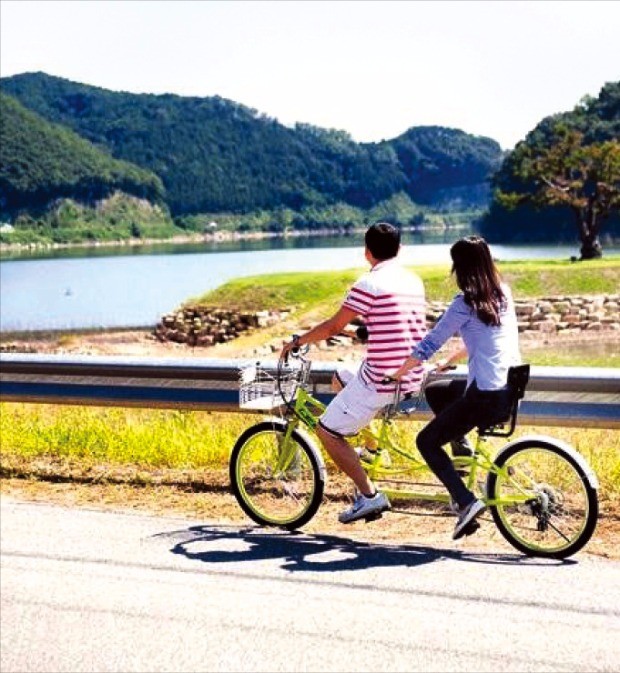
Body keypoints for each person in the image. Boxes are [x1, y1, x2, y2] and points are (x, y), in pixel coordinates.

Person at [281, 222, 427, 524]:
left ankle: (369, 497)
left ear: (366, 252)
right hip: (412, 375)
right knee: (341, 376)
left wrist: (297, 341)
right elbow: (392, 325)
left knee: (326, 431)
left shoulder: (369, 283)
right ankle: (371, 449)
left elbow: (332, 326)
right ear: (399, 250)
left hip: (382, 380)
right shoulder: (413, 280)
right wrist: (356, 333)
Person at [386, 235, 521, 540]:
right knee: (438, 390)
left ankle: (466, 501)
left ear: (458, 268)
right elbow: (487, 341)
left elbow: (430, 342)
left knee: (427, 442)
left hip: (485, 397)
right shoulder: (504, 295)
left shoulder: (465, 303)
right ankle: (462, 454)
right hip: (505, 390)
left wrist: (398, 374)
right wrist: (450, 362)